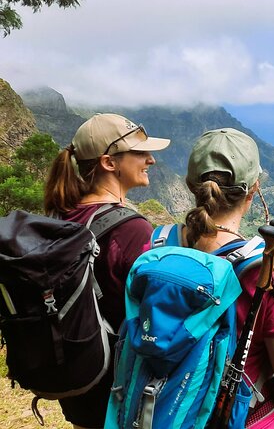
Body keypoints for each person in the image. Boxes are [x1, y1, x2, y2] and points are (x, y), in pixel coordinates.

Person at [44, 113, 170, 429]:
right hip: (120, 390)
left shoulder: (62, 218)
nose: (151, 160)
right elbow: (155, 318)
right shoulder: (132, 230)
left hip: (78, 383)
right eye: (140, 152)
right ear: (109, 163)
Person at [183, 128, 274, 428]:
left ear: (192, 186)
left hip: (161, 408)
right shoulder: (263, 270)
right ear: (254, 191)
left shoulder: (156, 247)